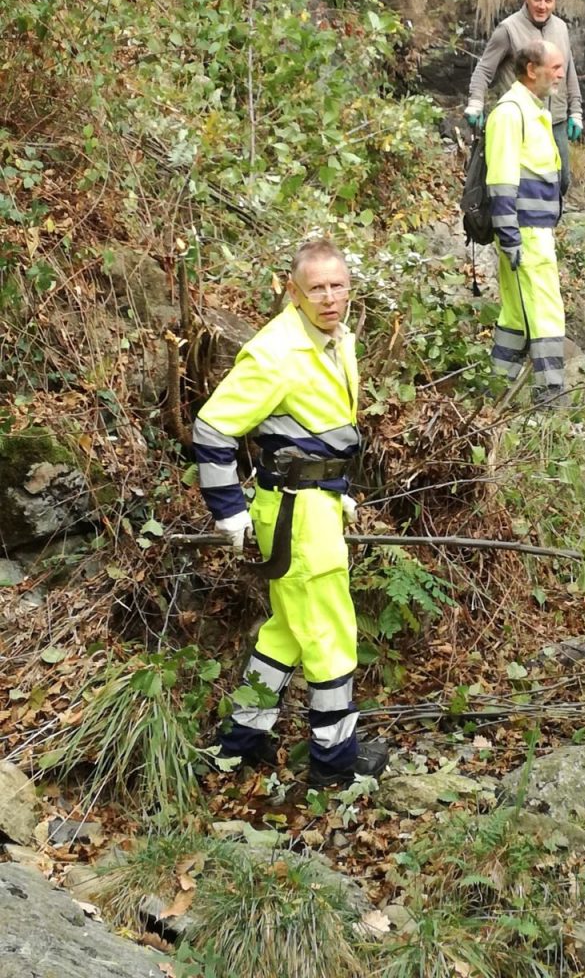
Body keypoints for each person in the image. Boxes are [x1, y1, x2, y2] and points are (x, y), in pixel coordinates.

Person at [192, 237, 389, 787]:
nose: (329, 297)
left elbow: (318, 427)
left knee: (284, 631)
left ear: (349, 288)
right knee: (330, 634)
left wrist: (337, 485)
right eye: (316, 288)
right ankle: (334, 766)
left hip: (315, 503)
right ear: (293, 291)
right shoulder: (277, 352)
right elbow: (213, 426)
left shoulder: (337, 336)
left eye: (337, 286)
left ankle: (240, 742)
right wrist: (227, 508)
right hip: (297, 517)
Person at [486, 39, 567, 404]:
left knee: (516, 315)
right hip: (526, 232)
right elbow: (500, 180)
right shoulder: (511, 113)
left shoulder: (533, 110)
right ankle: (550, 399)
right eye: (555, 67)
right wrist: (510, 237)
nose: (561, 75)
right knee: (546, 313)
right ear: (532, 70)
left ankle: (497, 393)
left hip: (532, 230)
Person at [465, 0, 583, 194]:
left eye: (548, 1)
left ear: (555, 2)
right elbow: (483, 70)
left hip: (554, 121)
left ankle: (545, 224)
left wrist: (576, 112)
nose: (542, 6)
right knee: (521, 181)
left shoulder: (561, 28)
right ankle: (516, 223)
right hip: (520, 119)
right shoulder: (508, 29)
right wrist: (475, 102)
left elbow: (568, 72)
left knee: (561, 180)